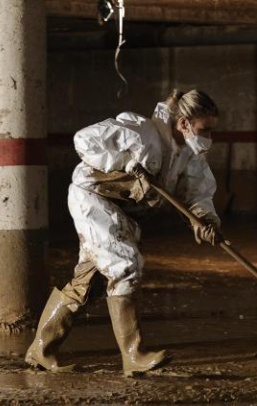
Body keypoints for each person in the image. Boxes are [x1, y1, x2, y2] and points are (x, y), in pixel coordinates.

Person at [25, 89, 222, 377]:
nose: (208, 137)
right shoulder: (141, 132)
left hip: (121, 211)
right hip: (93, 198)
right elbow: (83, 139)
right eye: (205, 129)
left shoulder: (190, 155)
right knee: (125, 265)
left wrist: (205, 219)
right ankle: (134, 355)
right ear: (184, 123)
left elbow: (199, 191)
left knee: (88, 283)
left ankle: (41, 351)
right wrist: (125, 163)